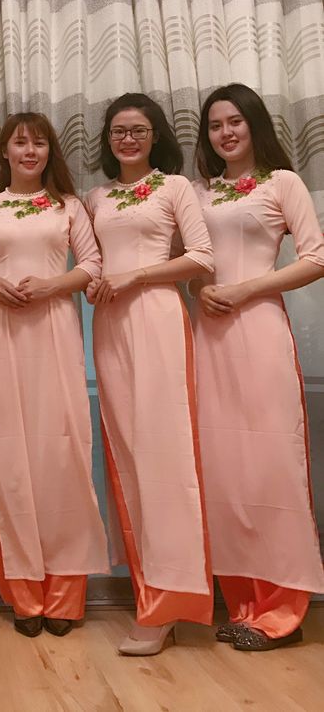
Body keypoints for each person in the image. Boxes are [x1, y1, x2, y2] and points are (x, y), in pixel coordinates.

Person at [192, 83, 324, 651]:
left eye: (235, 122)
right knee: (224, 471)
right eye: (215, 124)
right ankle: (245, 606)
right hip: (208, 337)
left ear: (254, 125)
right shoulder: (199, 192)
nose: (225, 132)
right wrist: (200, 288)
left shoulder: (282, 182)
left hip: (262, 331)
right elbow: (194, 263)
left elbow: (317, 257)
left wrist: (247, 288)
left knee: (272, 466)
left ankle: (283, 613)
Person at [85, 93, 214, 656]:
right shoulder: (96, 197)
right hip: (110, 326)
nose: (128, 139)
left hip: (159, 318)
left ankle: (170, 602)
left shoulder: (174, 187)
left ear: (156, 135)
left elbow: (202, 257)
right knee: (129, 456)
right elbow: (93, 263)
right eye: (118, 131)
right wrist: (96, 282)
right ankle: (148, 593)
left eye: (138, 130)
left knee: (166, 454)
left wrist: (135, 277)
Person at [0, 112, 109, 638]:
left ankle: (65, 596)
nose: (29, 151)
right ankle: (24, 597)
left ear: (50, 150)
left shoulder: (68, 206)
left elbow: (91, 265)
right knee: (10, 458)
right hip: (1, 333)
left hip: (55, 332)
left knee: (62, 456)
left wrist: (53, 286)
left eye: (39, 143)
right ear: (5, 151)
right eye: (20, 142)